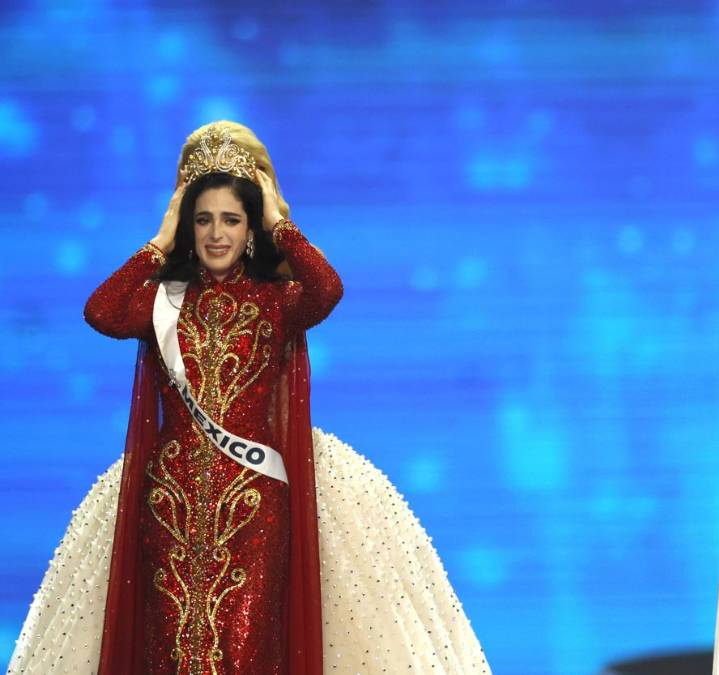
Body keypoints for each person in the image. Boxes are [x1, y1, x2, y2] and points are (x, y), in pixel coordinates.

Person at [8, 121, 491, 674]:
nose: (217, 234)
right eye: (203, 220)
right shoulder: (163, 303)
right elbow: (101, 311)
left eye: (231, 220)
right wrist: (158, 242)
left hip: (254, 506)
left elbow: (327, 287)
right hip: (169, 507)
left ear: (250, 228)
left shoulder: (276, 301)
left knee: (242, 655)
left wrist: (280, 223)